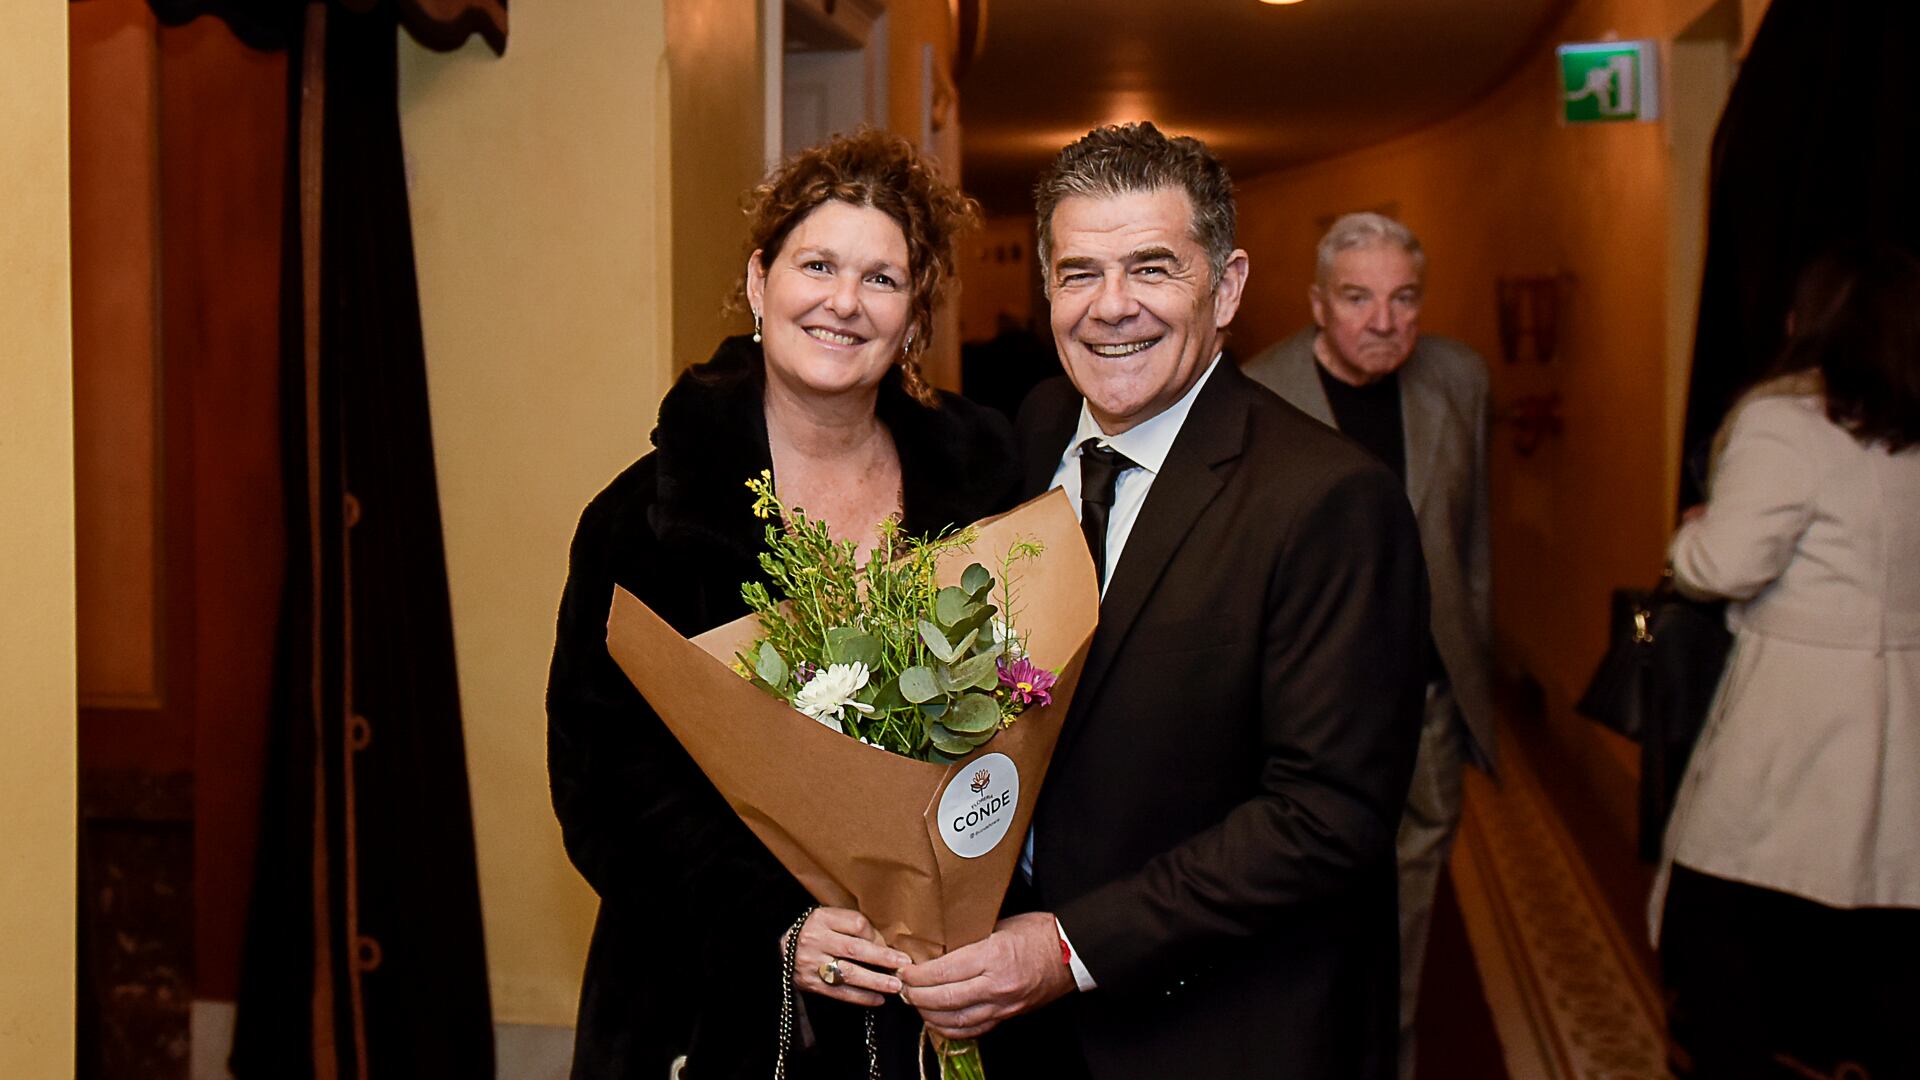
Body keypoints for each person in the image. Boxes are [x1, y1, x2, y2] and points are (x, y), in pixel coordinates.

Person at [900, 122, 1429, 1080]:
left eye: (1152, 268)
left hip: (1220, 1024)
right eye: (1078, 274)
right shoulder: (1032, 431)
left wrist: (1065, 949)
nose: (1111, 309)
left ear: (1225, 288)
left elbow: (1327, 815)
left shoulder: (1329, 500)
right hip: (1021, 1023)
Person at [545, 129, 1020, 1080]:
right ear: (760, 283)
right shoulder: (641, 519)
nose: (845, 302)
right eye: (817, 265)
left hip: (936, 996)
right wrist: (777, 925)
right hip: (708, 1001)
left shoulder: (990, 487)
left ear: (916, 317)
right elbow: (603, 787)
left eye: (883, 280)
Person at [1651, 244, 1920, 1079]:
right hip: (1904, 709)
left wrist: (1694, 527)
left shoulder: (1786, 424)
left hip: (1797, 716)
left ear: (1812, 324)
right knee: (1881, 934)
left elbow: (1725, 565)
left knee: (1730, 929)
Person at [1242, 212, 1494, 1080]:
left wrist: (1466, 675)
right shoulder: (1258, 390)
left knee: (1412, 912)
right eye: (1358, 298)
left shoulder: (1458, 378)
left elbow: (1472, 544)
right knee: (1305, 916)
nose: (1384, 321)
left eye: (1403, 298)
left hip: (1424, 703)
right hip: (1306, 717)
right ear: (1319, 303)